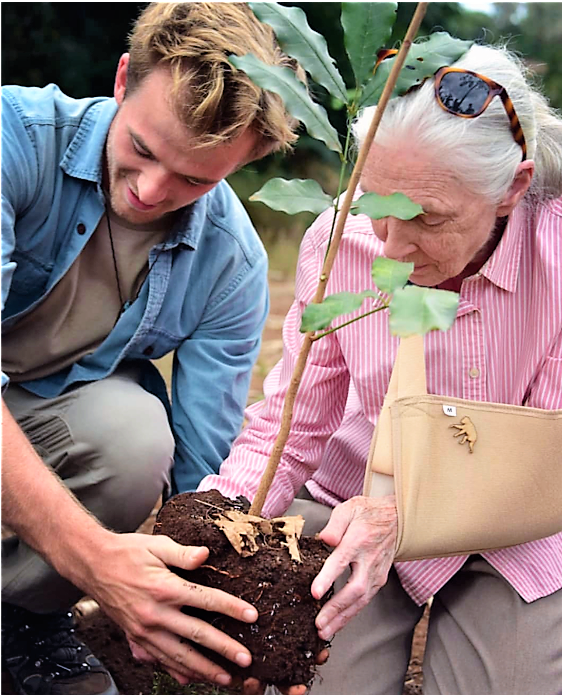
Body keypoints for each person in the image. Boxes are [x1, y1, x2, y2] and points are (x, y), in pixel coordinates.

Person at [198, 42, 562, 695]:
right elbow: (292, 424)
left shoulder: (556, 256)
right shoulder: (342, 240)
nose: (390, 248)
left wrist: (400, 518)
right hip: (352, 507)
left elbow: (547, 465)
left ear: (513, 186)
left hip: (514, 529)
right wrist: (214, 517)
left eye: (426, 217)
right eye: (376, 204)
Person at [1, 3, 310, 694]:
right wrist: (99, 565)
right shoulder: (13, 138)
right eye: (142, 148)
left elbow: (209, 479)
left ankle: (23, 613)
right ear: (120, 79)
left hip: (37, 423)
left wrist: (217, 625)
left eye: (195, 179)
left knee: (135, 439)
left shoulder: (231, 262)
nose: (149, 191)